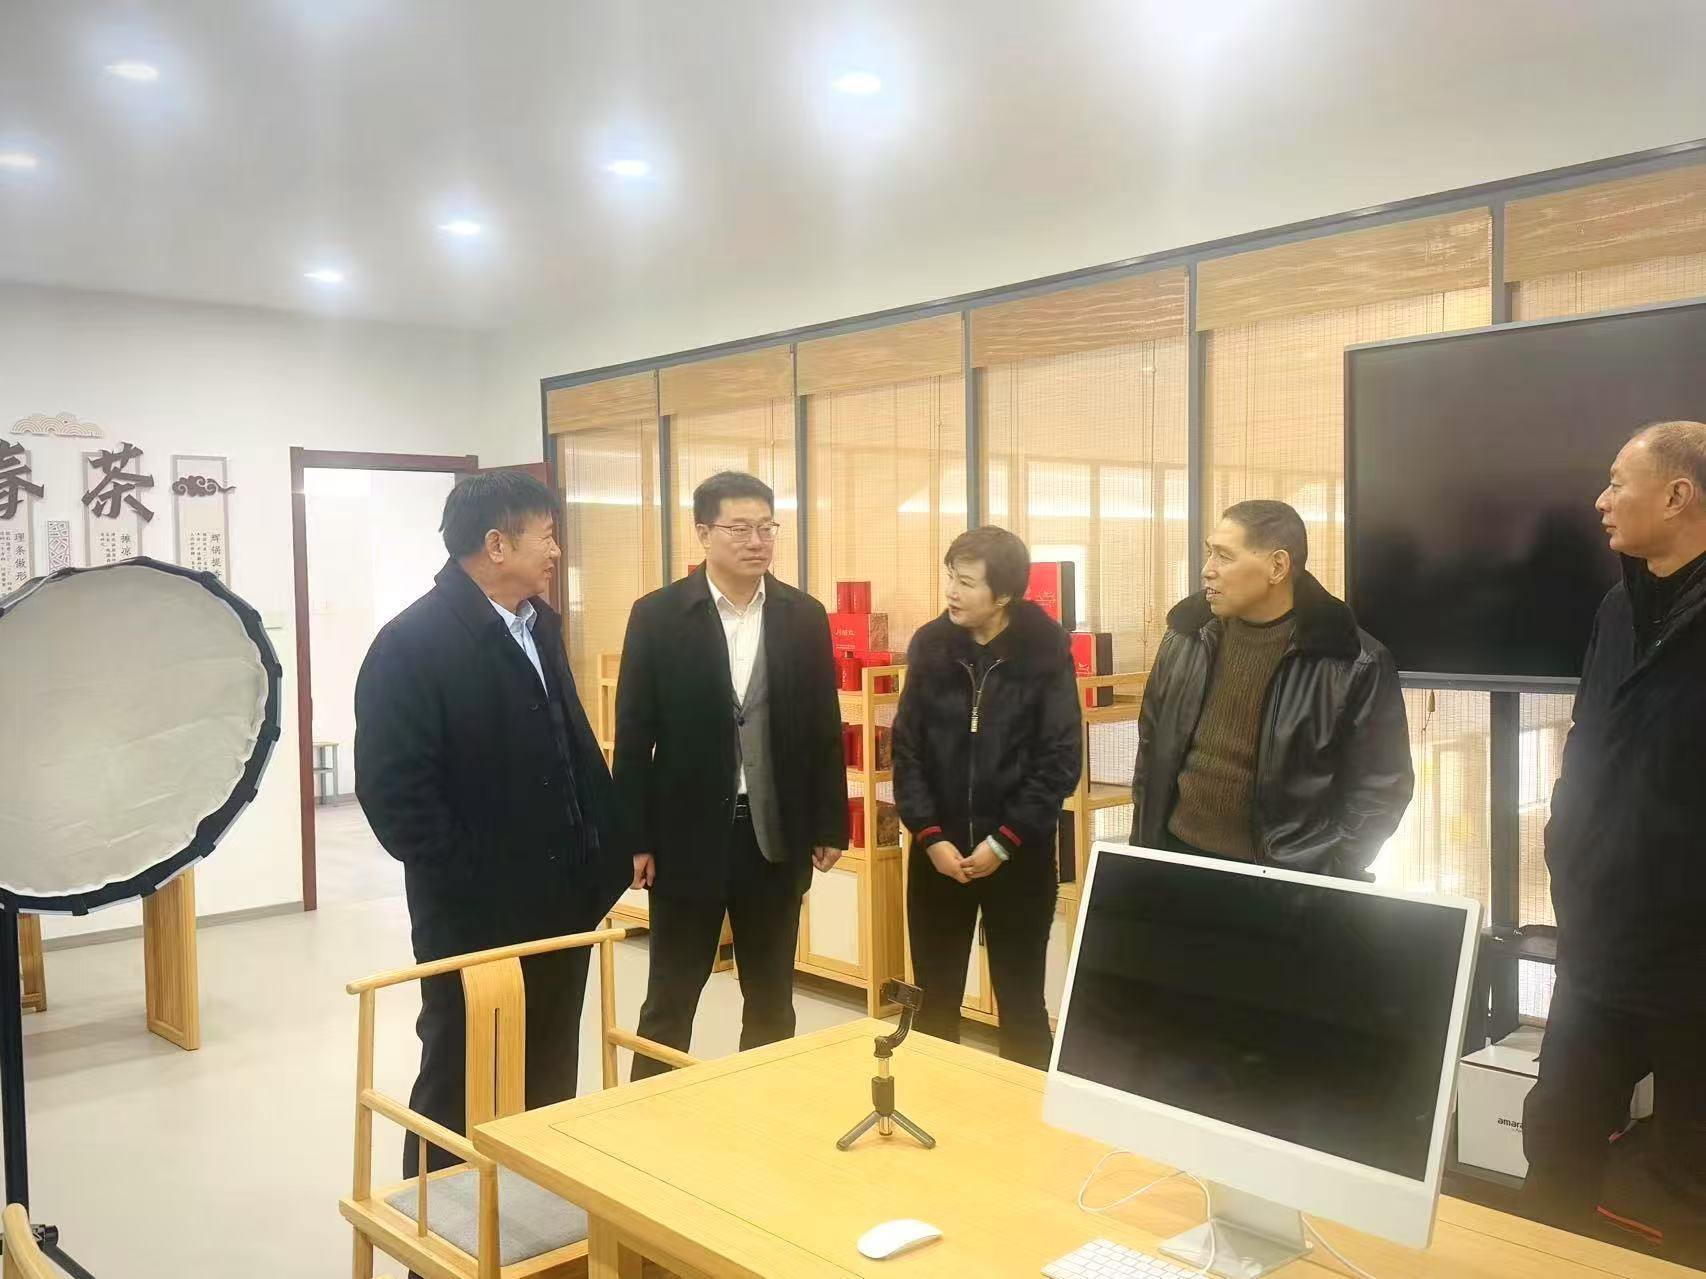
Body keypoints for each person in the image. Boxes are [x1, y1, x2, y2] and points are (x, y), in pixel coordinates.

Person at [354, 471, 626, 1178]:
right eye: (547, 537)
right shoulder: (410, 643)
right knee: (460, 1070)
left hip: (563, 901)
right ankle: (436, 1226)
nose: (557, 552)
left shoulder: (538, 626)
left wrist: (605, 853)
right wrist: (472, 879)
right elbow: (396, 796)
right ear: (497, 544)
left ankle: (531, 1208)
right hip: (474, 914)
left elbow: (570, 747)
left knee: (548, 1065)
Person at [1523, 421, 1706, 1265]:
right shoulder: (1616, 606)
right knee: (1555, 1139)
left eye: (1617, 481)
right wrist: (1566, 840)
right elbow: (1587, 734)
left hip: (1694, 960)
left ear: (1677, 495)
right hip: (1599, 944)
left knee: (1690, 1177)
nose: (1600, 500)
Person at [614, 471, 847, 1080]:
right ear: (703, 533)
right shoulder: (658, 615)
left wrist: (830, 821)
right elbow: (634, 737)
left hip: (774, 837)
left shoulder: (803, 615)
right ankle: (649, 1114)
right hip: (685, 838)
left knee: (771, 1000)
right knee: (670, 999)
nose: (756, 541)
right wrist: (634, 837)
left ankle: (764, 1114)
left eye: (766, 527)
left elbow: (823, 726)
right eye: (739, 528)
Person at [1130, 499, 1412, 877]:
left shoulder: (1355, 661)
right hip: (1175, 860)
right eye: (1210, 553)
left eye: (1224, 556)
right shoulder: (1185, 636)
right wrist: (1144, 848)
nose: (1207, 570)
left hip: (1283, 881)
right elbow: (1151, 749)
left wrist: (1329, 870)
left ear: (1277, 566)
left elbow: (1381, 789)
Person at [892, 526, 1082, 1068]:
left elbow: (1059, 760)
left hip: (1019, 857)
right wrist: (929, 836)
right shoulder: (931, 648)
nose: (951, 591)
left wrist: (1003, 842)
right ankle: (935, 1107)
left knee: (1022, 1005)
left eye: (967, 582)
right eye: (950, 577)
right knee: (933, 1004)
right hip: (938, 856)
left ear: (1003, 595)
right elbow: (906, 751)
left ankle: (1028, 1112)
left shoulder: (1046, 654)